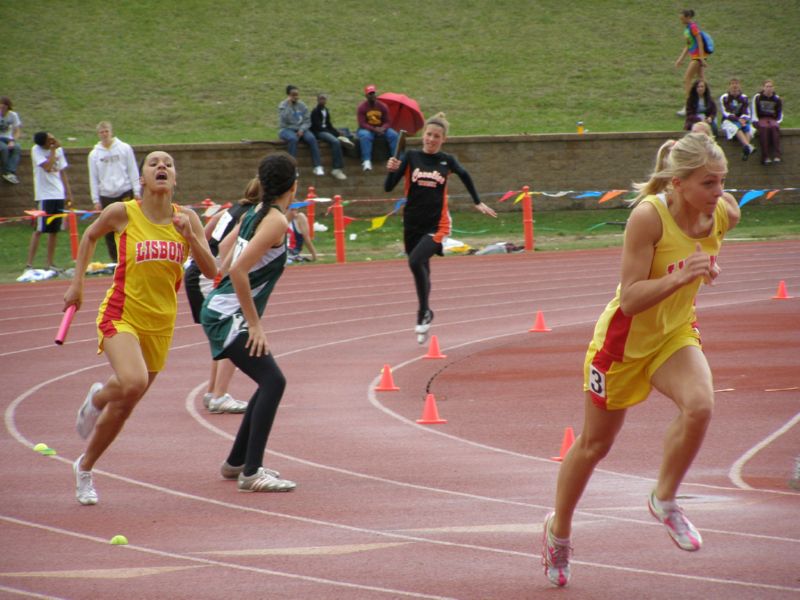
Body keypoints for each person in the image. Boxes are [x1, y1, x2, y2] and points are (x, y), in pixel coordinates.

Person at [541, 133, 741, 587]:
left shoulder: (724, 213)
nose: (719, 193)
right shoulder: (648, 218)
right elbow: (630, 300)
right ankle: (559, 532)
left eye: (723, 181)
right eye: (709, 183)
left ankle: (664, 500)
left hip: (673, 336)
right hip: (622, 346)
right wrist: (683, 275)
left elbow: (716, 234)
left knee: (701, 405)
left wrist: (705, 269)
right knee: (595, 445)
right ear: (678, 182)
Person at [64, 150, 217, 505]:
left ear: (174, 179)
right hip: (122, 314)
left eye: (168, 164)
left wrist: (191, 237)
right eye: (154, 163)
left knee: (127, 403)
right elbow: (89, 237)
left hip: (160, 324)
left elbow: (211, 271)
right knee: (134, 381)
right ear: (143, 179)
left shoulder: (188, 218)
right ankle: (100, 397)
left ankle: (85, 466)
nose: (162, 166)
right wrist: (78, 285)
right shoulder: (123, 213)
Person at [200, 152, 299, 493]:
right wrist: (253, 324)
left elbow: (229, 254)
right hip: (227, 314)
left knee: (268, 381)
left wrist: (218, 280)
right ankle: (251, 472)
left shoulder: (258, 211)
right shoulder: (275, 221)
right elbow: (239, 269)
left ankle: (237, 463)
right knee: (273, 382)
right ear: (294, 186)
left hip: (222, 309)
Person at [384, 112, 496, 343]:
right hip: (412, 223)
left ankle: (423, 311)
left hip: (437, 224)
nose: (431, 139)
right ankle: (426, 312)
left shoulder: (447, 160)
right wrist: (392, 168)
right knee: (421, 266)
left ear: (443, 139)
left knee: (415, 261)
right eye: (428, 134)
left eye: (436, 136)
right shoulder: (411, 156)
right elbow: (388, 187)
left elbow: (465, 176)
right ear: (423, 135)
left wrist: (477, 201)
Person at [184, 179, 261, 414]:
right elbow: (228, 246)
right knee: (235, 332)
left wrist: (193, 259)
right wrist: (228, 274)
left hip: (197, 272)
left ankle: (212, 392)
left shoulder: (232, 209)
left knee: (222, 336)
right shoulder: (252, 215)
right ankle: (219, 395)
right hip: (209, 276)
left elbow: (207, 232)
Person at [87, 121, 141, 263]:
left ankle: (133, 255)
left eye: (107, 131)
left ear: (111, 132)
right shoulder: (94, 154)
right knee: (109, 229)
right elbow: (93, 177)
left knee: (130, 225)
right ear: (98, 134)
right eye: (101, 132)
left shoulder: (124, 148)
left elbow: (132, 169)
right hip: (106, 195)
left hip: (125, 191)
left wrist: (137, 190)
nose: (104, 134)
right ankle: (115, 260)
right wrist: (95, 200)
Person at [24, 132, 73, 276]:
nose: (52, 140)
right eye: (49, 141)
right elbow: (47, 166)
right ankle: (29, 264)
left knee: (54, 231)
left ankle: (50, 263)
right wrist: (52, 150)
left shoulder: (58, 149)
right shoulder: (36, 150)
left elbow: (62, 172)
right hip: (45, 195)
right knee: (39, 229)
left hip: (58, 193)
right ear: (44, 144)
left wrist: (68, 193)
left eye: (52, 137)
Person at [278, 85, 324, 176]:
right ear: (288, 95)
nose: (296, 97)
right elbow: (284, 119)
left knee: (311, 139)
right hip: (286, 129)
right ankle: (293, 168)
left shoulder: (302, 105)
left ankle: (317, 166)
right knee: (293, 139)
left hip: (301, 129)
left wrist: (302, 129)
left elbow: (307, 120)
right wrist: (289, 105)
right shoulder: (283, 105)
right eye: (293, 95)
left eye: (297, 95)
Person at [310, 93, 352, 181]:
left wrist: (336, 132)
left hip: (326, 130)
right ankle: (337, 168)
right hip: (319, 132)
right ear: (317, 100)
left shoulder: (326, 110)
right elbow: (318, 127)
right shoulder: (315, 111)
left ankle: (346, 142)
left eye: (324, 99)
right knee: (335, 141)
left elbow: (329, 124)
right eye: (321, 99)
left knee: (344, 133)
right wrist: (332, 133)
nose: (323, 100)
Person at [357, 85, 399, 171]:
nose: (372, 95)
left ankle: (396, 159)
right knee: (365, 136)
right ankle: (366, 161)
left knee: (394, 135)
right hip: (367, 129)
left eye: (373, 93)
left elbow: (387, 121)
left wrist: (383, 128)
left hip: (381, 128)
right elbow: (362, 123)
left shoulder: (382, 106)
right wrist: (374, 129)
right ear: (366, 96)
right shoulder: (362, 107)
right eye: (370, 94)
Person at [674, 9, 708, 117]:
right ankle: (706, 103)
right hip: (695, 56)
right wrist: (681, 59)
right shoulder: (687, 28)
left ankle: (689, 105)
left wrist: (702, 58)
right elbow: (688, 45)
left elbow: (699, 41)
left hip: (697, 57)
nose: (681, 19)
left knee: (687, 78)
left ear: (688, 17)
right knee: (701, 79)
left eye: (682, 17)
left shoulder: (693, 27)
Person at [719, 79, 756, 160]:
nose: (734, 86)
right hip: (728, 121)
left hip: (742, 120)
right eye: (732, 84)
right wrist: (737, 119)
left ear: (740, 86)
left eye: (736, 84)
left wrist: (743, 119)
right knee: (735, 127)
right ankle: (748, 146)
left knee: (750, 129)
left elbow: (746, 111)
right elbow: (726, 113)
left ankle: (746, 150)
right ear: (729, 86)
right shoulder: (724, 98)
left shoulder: (744, 97)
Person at [752, 79, 783, 165]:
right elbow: (754, 111)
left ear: (773, 88)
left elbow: (780, 113)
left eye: (770, 86)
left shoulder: (777, 99)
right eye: (767, 86)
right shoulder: (757, 97)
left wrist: (778, 122)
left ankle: (777, 155)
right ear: (763, 88)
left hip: (772, 119)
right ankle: (765, 157)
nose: (769, 88)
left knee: (774, 127)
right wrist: (755, 121)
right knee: (764, 128)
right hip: (762, 118)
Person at [0, 96, 22, 184]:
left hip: (7, 138)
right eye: (0, 107)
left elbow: (17, 131)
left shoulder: (13, 115)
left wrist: (13, 140)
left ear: (8, 108)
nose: (2, 110)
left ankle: (11, 172)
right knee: (4, 149)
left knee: (17, 147)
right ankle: (6, 172)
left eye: (4, 108)